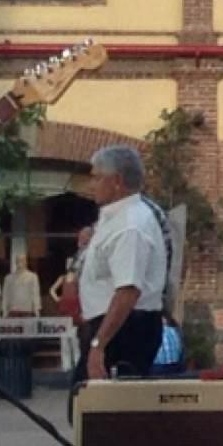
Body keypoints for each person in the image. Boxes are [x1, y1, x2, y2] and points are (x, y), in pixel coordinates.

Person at [71, 144, 170, 381]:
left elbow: (128, 290)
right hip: (113, 326)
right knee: (86, 406)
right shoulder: (114, 218)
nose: (90, 185)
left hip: (124, 329)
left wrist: (99, 344)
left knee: (101, 408)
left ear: (116, 181)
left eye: (96, 178)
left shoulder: (131, 225)